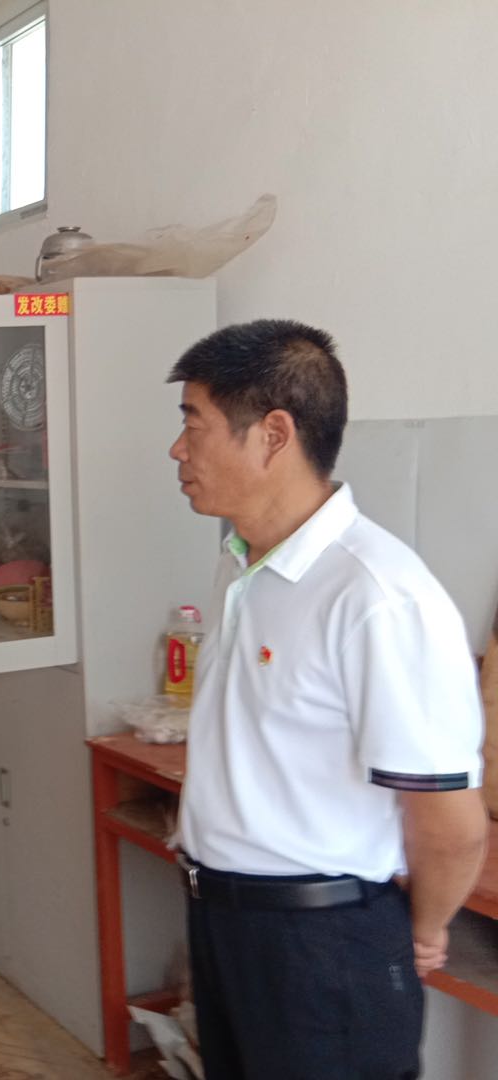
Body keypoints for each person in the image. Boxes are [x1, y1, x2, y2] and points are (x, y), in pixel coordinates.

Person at [167, 319, 488, 1078]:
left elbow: (449, 824)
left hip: (322, 947)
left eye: (194, 425)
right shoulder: (243, 562)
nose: (178, 450)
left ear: (273, 435)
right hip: (226, 922)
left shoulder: (378, 596)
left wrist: (424, 929)